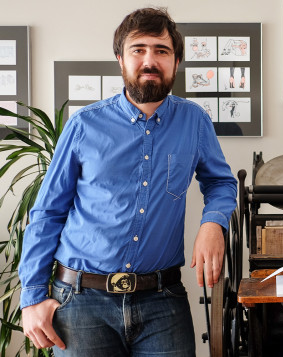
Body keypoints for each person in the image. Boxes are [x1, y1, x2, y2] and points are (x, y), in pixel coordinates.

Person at [18, 7, 237, 357]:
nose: (150, 60)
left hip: (162, 303)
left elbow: (221, 183)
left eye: (161, 51)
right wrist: (31, 298)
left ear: (176, 62)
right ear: (121, 59)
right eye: (139, 49)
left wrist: (213, 223)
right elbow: (47, 212)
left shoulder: (194, 121)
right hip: (81, 304)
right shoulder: (83, 126)